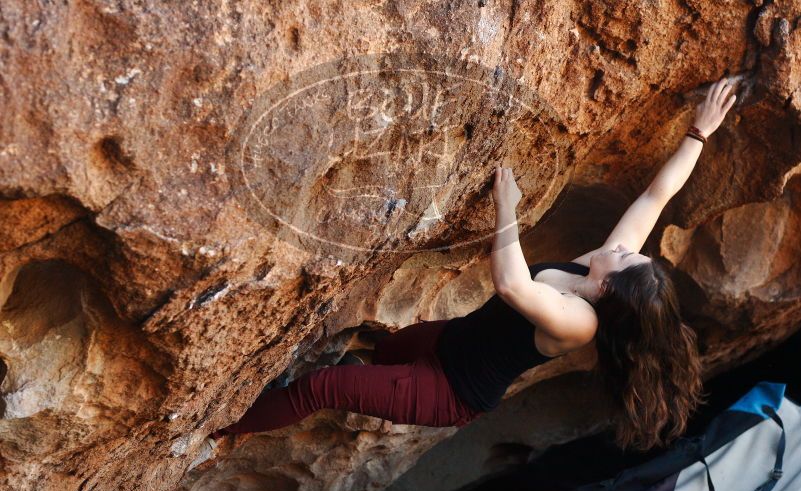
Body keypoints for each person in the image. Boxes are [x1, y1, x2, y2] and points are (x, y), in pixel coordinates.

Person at [208, 77, 737, 452]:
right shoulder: (599, 270)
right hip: (448, 341)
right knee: (382, 347)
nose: (623, 247)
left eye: (625, 257)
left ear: (607, 291)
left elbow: (511, 284)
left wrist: (506, 210)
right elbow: (652, 198)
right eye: (629, 250)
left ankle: (215, 432)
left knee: (321, 389)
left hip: (449, 392)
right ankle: (363, 371)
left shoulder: (581, 321)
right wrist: (699, 134)